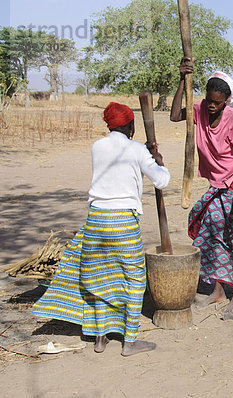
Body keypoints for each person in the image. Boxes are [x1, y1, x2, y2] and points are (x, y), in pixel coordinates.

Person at [32, 102, 170, 356]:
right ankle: (129, 341)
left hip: (96, 219)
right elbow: (161, 179)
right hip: (123, 222)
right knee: (134, 279)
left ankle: (99, 338)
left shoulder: (98, 146)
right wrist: (157, 160)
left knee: (98, 276)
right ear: (130, 125)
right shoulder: (136, 149)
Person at [170, 58, 233, 313]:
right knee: (215, 236)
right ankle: (219, 290)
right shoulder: (199, 109)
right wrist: (181, 79)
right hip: (218, 184)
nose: (211, 106)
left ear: (227, 101)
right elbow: (175, 115)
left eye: (217, 103)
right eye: (209, 100)